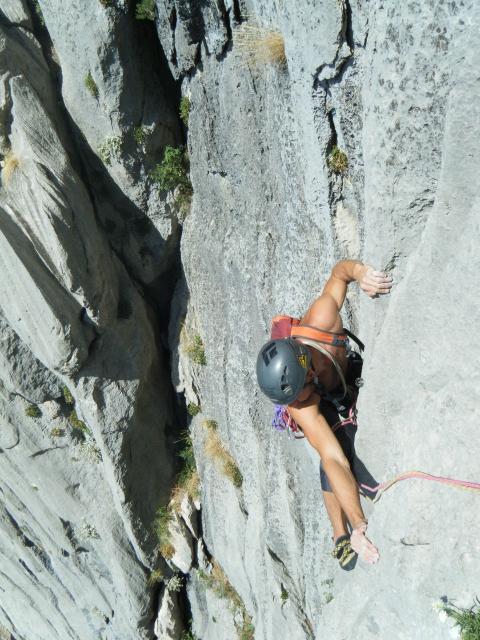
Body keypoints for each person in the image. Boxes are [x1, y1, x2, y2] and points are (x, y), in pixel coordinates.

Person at [256, 260, 392, 569]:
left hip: (342, 378)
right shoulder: (300, 403)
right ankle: (340, 534)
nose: (297, 404)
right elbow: (333, 458)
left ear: (308, 371)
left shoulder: (322, 319)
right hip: (331, 399)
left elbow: (340, 273)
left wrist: (362, 274)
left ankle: (339, 534)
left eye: (298, 395)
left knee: (333, 446)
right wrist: (359, 523)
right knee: (331, 449)